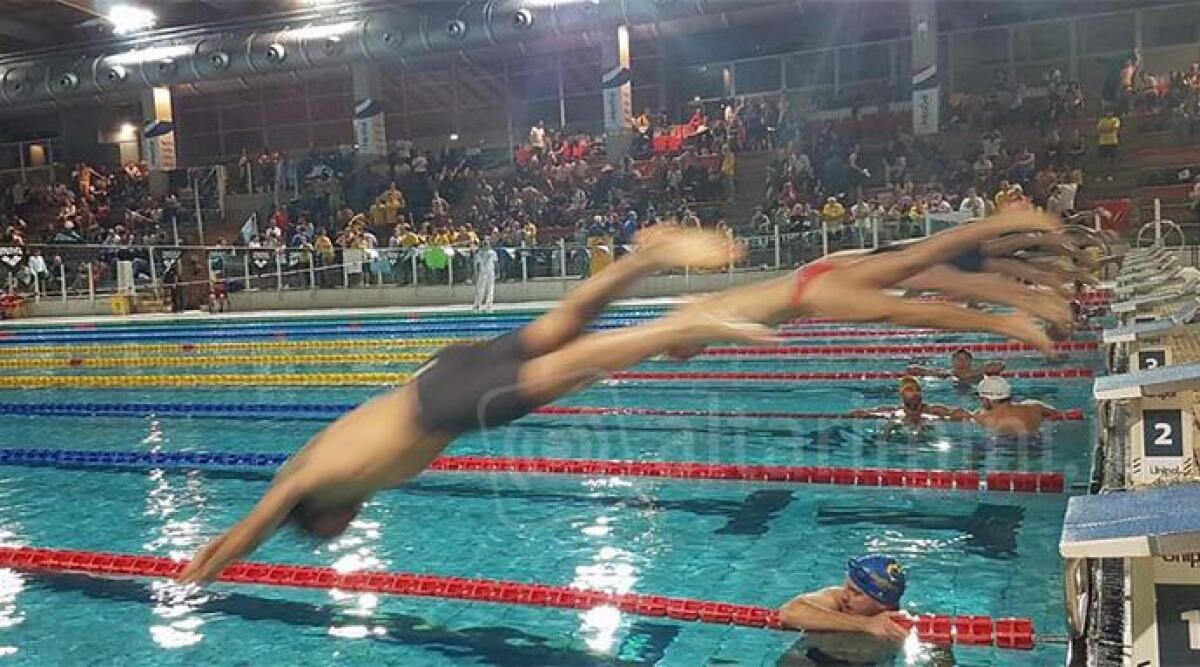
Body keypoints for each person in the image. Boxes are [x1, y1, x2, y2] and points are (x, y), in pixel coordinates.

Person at [180, 214, 1067, 584]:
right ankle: (643, 256)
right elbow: (264, 501)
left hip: (449, 403)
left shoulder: (312, 491)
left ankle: (687, 312)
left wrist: (201, 571)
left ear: (330, 521)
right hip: (439, 372)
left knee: (602, 354)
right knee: (572, 319)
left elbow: (247, 531)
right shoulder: (308, 460)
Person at [778, 556, 909, 664]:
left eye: (856, 593)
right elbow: (788, 613)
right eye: (846, 586)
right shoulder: (836, 599)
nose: (844, 596)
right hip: (812, 659)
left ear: (883, 605)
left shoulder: (899, 626)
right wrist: (867, 624)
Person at [849, 377, 969, 427]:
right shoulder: (893, 411)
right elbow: (862, 413)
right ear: (901, 394)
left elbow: (960, 413)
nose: (915, 393)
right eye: (910, 390)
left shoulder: (933, 410)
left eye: (917, 390)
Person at [972, 376, 1059, 437]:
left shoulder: (982, 417)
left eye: (981, 398)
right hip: (1038, 443)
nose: (980, 401)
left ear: (991, 400)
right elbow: (1056, 414)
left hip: (1008, 446)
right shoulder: (1035, 406)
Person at [907, 348, 1005, 385]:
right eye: (958, 359)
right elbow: (911, 369)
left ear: (970, 362)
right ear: (953, 361)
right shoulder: (947, 374)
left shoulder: (977, 372)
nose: (962, 362)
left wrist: (976, 372)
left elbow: (1001, 366)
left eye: (965, 359)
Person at [472, 238, 498, 313]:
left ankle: (489, 305)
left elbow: (496, 263)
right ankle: (478, 304)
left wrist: (497, 272)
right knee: (480, 289)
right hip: (482, 272)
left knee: (490, 289)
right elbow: (477, 264)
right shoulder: (479, 253)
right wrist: (475, 273)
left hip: (490, 272)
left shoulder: (492, 252)